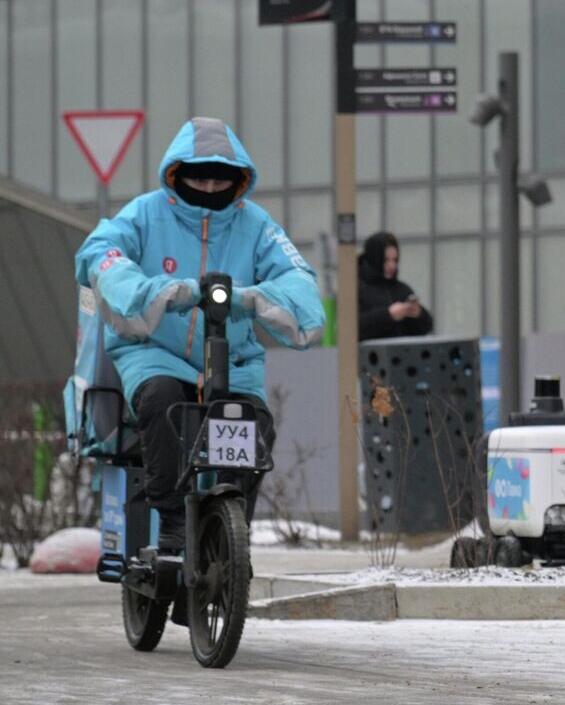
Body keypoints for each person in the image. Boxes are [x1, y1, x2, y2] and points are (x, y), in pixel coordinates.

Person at [75, 117, 325, 553]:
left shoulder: (257, 225)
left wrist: (255, 299)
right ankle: (171, 526)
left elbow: (297, 278)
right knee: (162, 403)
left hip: (233, 362)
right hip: (154, 353)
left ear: (239, 180)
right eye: (198, 177)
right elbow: (101, 251)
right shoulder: (146, 213)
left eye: (220, 179)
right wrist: (153, 291)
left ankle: (227, 529)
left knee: (253, 424)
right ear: (176, 174)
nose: (210, 188)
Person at [357, 231, 434, 341]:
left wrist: (419, 314)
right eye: (386, 260)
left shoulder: (402, 289)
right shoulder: (356, 289)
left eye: (395, 260)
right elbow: (352, 327)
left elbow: (426, 327)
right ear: (374, 259)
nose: (392, 266)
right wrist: (388, 316)